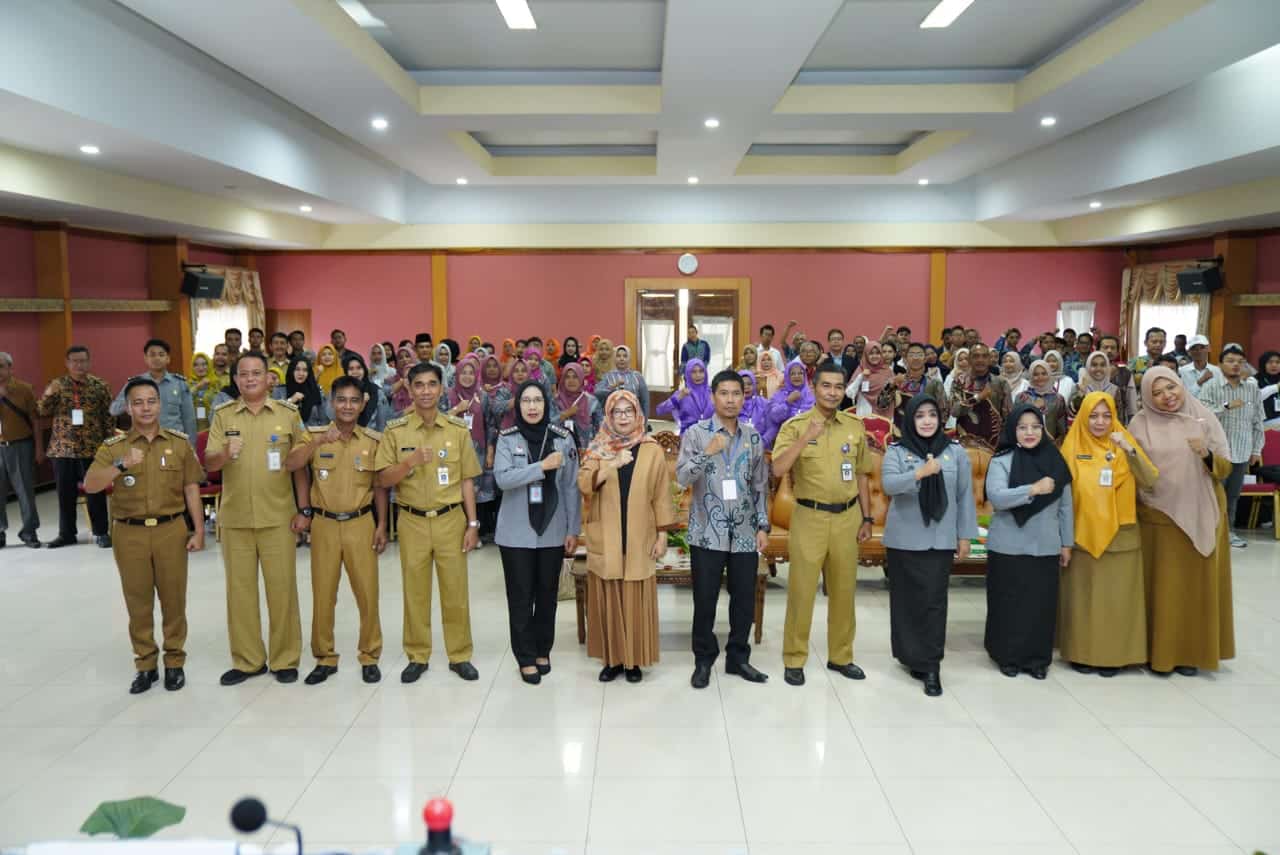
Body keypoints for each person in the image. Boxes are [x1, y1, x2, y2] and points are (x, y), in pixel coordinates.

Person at [84, 378, 205, 694]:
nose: (146, 408)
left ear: (160, 404)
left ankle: (174, 663)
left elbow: (191, 486)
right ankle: (146, 664)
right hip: (130, 533)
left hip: (170, 530)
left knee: (173, 600)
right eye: (138, 402)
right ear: (128, 407)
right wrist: (121, 465)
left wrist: (199, 530)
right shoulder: (115, 447)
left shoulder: (178, 443)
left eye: (151, 401)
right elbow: (92, 484)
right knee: (137, 603)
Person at [204, 352, 310, 685]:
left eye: (257, 373)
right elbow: (209, 463)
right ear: (235, 380)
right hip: (235, 518)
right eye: (244, 374)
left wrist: (304, 510)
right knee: (240, 593)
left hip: (278, 516)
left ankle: (285, 658)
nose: (250, 379)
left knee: (282, 591)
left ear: (269, 378)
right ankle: (248, 660)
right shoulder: (222, 415)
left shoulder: (287, 414)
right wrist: (224, 453)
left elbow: (301, 465)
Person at [377, 362, 483, 683]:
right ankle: (417, 655)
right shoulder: (396, 432)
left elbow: (467, 480)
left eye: (432, 384)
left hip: (451, 519)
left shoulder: (456, 430)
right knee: (415, 592)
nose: (425, 391)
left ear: (441, 388)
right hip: (412, 521)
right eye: (419, 385)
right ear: (409, 389)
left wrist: (473, 524)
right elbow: (382, 478)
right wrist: (409, 462)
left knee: (455, 591)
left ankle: (459, 654)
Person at [771, 360, 874, 686]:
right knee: (801, 591)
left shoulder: (854, 426)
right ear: (814, 388)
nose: (832, 392)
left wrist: (867, 517)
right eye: (826, 386)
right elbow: (777, 470)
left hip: (847, 517)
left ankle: (841, 656)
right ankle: (794, 658)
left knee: (844, 591)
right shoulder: (795, 425)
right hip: (809, 517)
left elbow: (861, 476)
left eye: (838, 386)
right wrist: (806, 439)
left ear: (845, 390)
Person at [1128, 367, 1235, 675]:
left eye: (1170, 388)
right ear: (1148, 396)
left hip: (1202, 512)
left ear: (1180, 386)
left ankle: (1190, 654)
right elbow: (1133, 468)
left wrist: (1206, 454)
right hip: (1157, 518)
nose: (1166, 397)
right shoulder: (1139, 423)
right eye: (1157, 392)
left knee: (1193, 589)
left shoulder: (1202, 417)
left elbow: (1224, 468)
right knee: (1162, 589)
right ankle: (1156, 653)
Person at [285, 376, 389, 686]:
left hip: (361, 523)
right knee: (323, 593)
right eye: (341, 399)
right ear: (332, 402)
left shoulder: (373, 440)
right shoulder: (314, 434)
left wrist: (382, 524)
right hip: (325, 524)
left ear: (363, 404)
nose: (347, 406)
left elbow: (380, 486)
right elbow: (293, 465)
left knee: (368, 594)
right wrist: (317, 443)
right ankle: (325, 657)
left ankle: (369, 655)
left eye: (353, 400)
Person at [677, 370, 771, 689]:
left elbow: (760, 486)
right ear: (714, 397)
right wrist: (708, 453)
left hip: (745, 531)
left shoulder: (754, 436)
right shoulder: (696, 434)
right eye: (724, 393)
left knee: (743, 599)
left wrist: (763, 524)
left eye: (736, 394)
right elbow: (681, 478)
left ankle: (738, 658)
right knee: (705, 600)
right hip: (707, 530)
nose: (731, 400)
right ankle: (703, 659)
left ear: (743, 397)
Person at [879, 395, 978, 697]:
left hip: (939, 540)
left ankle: (932, 665)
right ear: (910, 419)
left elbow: (964, 497)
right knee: (906, 602)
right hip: (904, 540)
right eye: (919, 415)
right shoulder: (897, 451)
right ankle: (911, 657)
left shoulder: (955, 453)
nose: (926, 421)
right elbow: (889, 486)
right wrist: (919, 473)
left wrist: (965, 537)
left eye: (932, 415)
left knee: (934, 603)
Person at [1058, 392, 1157, 677]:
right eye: (1093, 415)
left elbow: (1150, 480)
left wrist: (1130, 450)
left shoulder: (1124, 442)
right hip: (1082, 535)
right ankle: (1082, 653)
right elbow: (1062, 497)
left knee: (1116, 601)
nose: (1100, 422)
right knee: (1084, 601)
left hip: (1121, 536)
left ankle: (1115, 657)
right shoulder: (1072, 444)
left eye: (1106, 415)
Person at [578, 390, 674, 683]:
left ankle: (634, 661)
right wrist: (610, 465)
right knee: (609, 594)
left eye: (628, 411)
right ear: (608, 415)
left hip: (639, 535)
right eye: (617, 412)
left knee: (634, 596)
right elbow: (583, 483)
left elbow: (661, 495)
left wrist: (662, 535)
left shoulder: (651, 448)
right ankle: (612, 660)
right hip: (606, 534)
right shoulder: (599, 446)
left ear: (637, 415)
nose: (622, 417)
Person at [494, 380, 580, 685]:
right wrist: (541, 467)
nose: (532, 407)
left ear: (546, 405)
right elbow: (503, 479)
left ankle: (543, 648)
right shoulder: (507, 439)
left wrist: (574, 529)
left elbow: (571, 487)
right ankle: (525, 656)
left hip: (553, 530)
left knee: (547, 594)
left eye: (537, 401)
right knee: (520, 596)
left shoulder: (562, 438)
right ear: (518, 406)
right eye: (526, 401)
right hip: (515, 532)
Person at [984, 404, 1073, 679]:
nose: (1030, 432)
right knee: (1008, 603)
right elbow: (997, 497)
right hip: (1007, 545)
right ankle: (1006, 656)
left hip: (1045, 544)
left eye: (1035, 426)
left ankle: (1037, 659)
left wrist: (1066, 543)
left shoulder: (1055, 460)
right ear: (1013, 430)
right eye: (1022, 427)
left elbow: (1066, 506)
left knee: (1040, 604)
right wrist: (1033, 489)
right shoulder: (1002, 460)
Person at [38, 346, 114, 549]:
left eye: (83, 361)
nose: (79, 365)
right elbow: (42, 411)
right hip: (63, 450)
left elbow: (108, 418)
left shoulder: (100, 386)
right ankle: (66, 534)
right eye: (74, 361)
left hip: (92, 448)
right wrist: (48, 394)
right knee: (65, 494)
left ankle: (101, 532)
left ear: (89, 362)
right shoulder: (57, 385)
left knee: (95, 491)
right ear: (67, 363)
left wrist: (109, 446)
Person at [1201, 345, 1264, 545]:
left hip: (1242, 450)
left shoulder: (1252, 388)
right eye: (1230, 360)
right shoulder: (1211, 386)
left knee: (1233, 495)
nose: (1235, 365)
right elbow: (1202, 417)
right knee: (1213, 493)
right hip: (1217, 452)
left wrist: (1256, 450)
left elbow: (1258, 421)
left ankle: (1229, 532)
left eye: (1240, 361)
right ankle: (1210, 531)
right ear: (1220, 364)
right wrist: (1226, 407)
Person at [110, 339, 197, 442]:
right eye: (152, 355)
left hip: (174, 443)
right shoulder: (135, 384)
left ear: (168, 358)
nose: (157, 358)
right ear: (145, 359)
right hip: (144, 443)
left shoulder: (180, 384)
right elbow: (114, 410)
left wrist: (191, 449)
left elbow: (189, 420)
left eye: (161, 354)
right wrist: (133, 400)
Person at [0, 352, 43, 549]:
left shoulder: (24, 389)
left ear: (10, 368)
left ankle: (29, 531)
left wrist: (39, 448)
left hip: (20, 446)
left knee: (25, 491)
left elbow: (35, 420)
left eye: (1, 366)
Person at [949, 344, 1013, 452]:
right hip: (965, 444)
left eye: (984, 356)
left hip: (994, 446)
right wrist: (977, 397)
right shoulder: (959, 382)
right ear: (969, 359)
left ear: (989, 359)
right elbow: (954, 411)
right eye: (976, 356)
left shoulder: (1000, 383)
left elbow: (1008, 417)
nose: (980, 360)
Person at [876, 342, 946, 435]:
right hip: (901, 434)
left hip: (926, 434)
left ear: (925, 359)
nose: (915, 358)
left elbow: (943, 411)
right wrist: (892, 386)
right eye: (912, 354)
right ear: (906, 358)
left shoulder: (934, 383)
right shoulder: (896, 381)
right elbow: (881, 405)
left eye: (919, 355)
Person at [758, 359, 814, 449]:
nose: (797, 376)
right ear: (787, 376)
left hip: (809, 441)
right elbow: (774, 417)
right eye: (793, 374)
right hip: (785, 441)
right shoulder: (779, 395)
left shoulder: (811, 395)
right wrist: (788, 402)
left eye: (800, 373)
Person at [657, 357, 714, 434]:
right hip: (688, 438)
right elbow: (660, 410)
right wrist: (678, 397)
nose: (698, 375)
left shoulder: (713, 393)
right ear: (687, 374)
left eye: (701, 371)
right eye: (693, 372)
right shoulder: (681, 393)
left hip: (710, 437)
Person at [554, 362, 601, 450]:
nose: (571, 380)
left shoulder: (591, 401)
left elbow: (600, 428)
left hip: (588, 451)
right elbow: (548, 425)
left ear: (581, 378)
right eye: (567, 377)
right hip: (561, 452)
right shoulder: (555, 401)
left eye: (575, 377)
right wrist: (564, 414)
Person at [1017, 359, 1069, 440]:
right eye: (1036, 374)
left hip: (1050, 445)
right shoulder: (1021, 397)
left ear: (1049, 374)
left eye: (1044, 374)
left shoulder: (1058, 399)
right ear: (1030, 376)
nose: (1040, 377)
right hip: (1026, 444)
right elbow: (1015, 423)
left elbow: (1062, 428)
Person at [344, 353, 394, 432]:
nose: (355, 372)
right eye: (351, 369)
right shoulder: (340, 391)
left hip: (371, 440)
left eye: (359, 368)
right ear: (345, 372)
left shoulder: (375, 391)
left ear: (364, 369)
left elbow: (382, 423)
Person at [846, 341, 894, 419]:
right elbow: (849, 393)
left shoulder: (888, 371)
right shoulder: (861, 369)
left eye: (877, 353)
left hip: (884, 416)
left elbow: (892, 395)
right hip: (864, 414)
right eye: (871, 353)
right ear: (866, 355)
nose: (874, 356)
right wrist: (861, 377)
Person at [277, 356, 329, 427]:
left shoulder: (316, 391)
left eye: (305, 370)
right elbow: (275, 418)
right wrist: (290, 401)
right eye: (297, 369)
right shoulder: (279, 391)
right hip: (288, 435)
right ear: (291, 370)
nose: (301, 373)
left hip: (312, 435)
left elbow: (324, 420)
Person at [1178, 335, 1223, 401]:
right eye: (1194, 348)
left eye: (1202, 347)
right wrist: (1200, 381)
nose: (1198, 351)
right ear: (1189, 352)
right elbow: (1183, 396)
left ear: (1209, 348)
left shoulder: (1217, 371)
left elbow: (1220, 396)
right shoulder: (1182, 371)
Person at [1256, 350, 1280, 429]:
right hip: (1262, 424)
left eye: (1277, 362)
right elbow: (1254, 398)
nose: (1274, 365)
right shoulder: (1254, 380)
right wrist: (1276, 388)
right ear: (1263, 364)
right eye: (1270, 362)